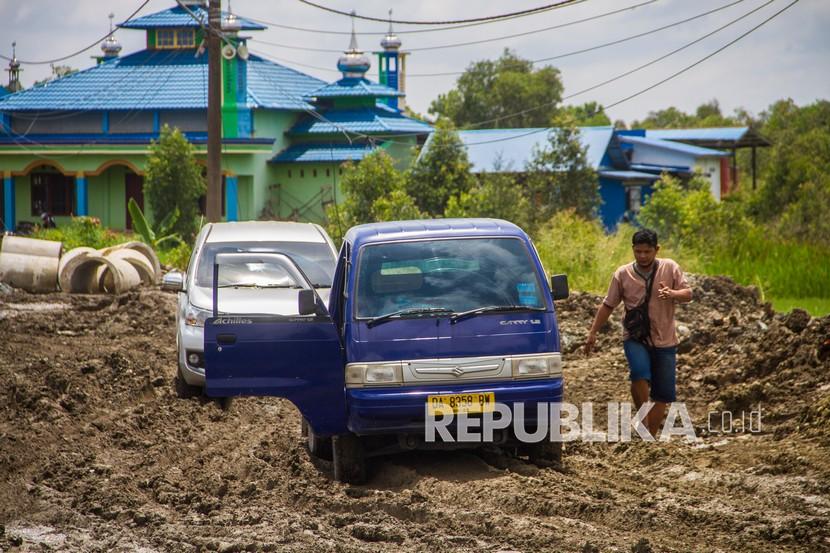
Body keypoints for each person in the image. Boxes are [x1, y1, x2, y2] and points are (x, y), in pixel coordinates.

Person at [584, 228, 692, 437]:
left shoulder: (670, 268)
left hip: (665, 338)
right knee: (639, 373)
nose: (642, 256)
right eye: (638, 251)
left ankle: (648, 437)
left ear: (656, 250)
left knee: (663, 393)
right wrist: (593, 333)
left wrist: (672, 293)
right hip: (635, 336)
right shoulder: (622, 274)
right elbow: (608, 305)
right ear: (633, 250)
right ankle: (643, 420)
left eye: (647, 252)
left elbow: (688, 293)